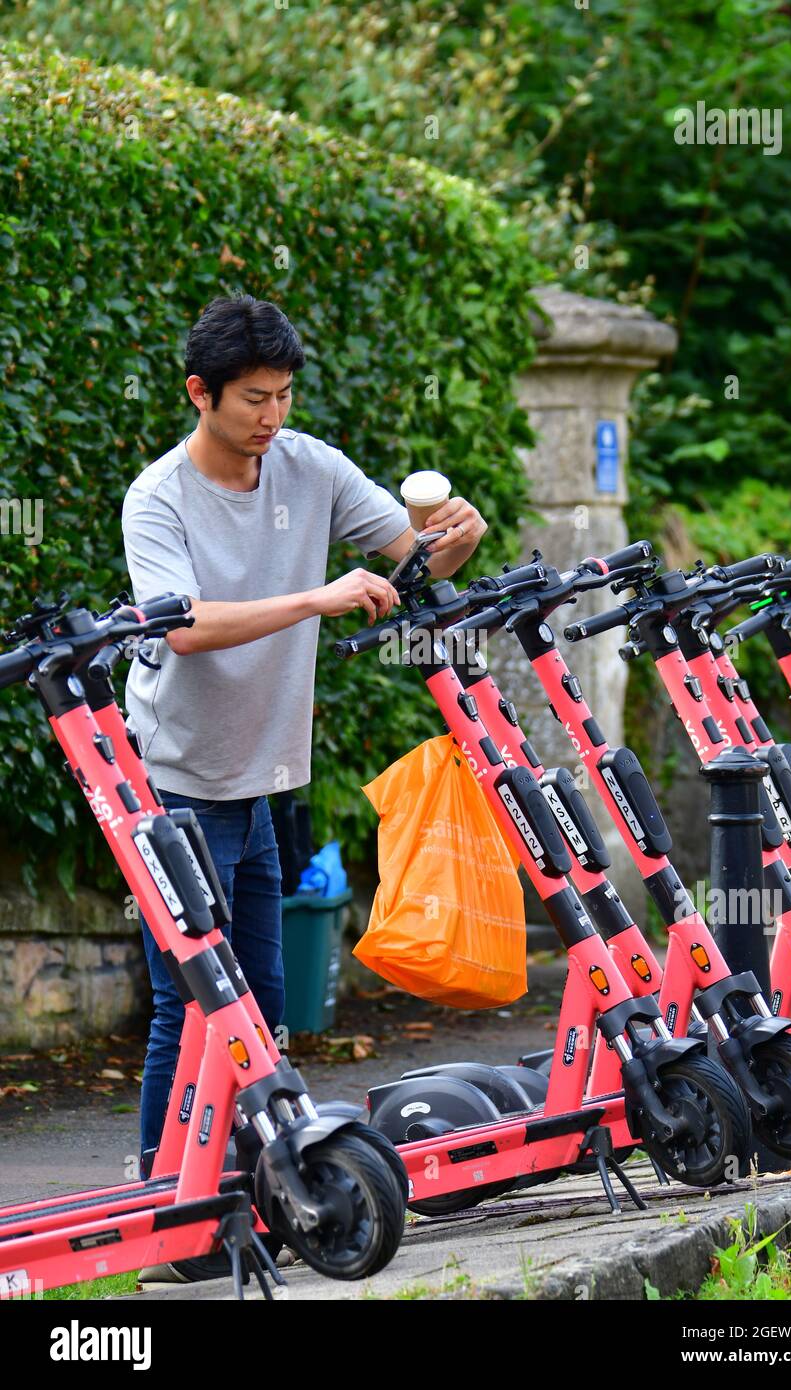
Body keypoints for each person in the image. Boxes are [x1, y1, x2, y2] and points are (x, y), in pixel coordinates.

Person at [122, 293, 487, 1279]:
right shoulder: (158, 498)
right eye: (251, 399)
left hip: (265, 777)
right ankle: (169, 1210)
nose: (270, 416)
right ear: (200, 393)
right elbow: (183, 626)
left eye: (282, 396)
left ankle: (250, 1186)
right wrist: (317, 597)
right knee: (191, 1003)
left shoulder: (310, 466)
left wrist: (454, 535)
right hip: (178, 784)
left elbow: (411, 566)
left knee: (265, 996)